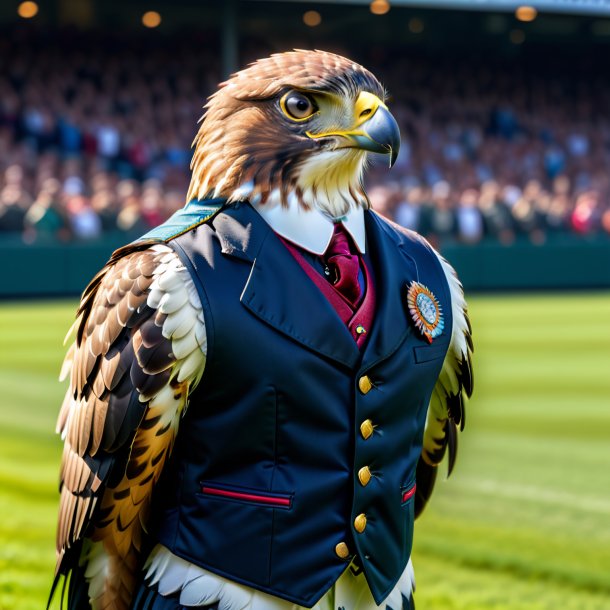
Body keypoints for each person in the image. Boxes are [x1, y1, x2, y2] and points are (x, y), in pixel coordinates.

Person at [52, 50, 473, 610]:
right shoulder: (165, 279)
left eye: (372, 106)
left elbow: (405, 472)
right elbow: (109, 526)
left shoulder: (431, 276)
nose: (370, 118)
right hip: (210, 594)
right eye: (302, 107)